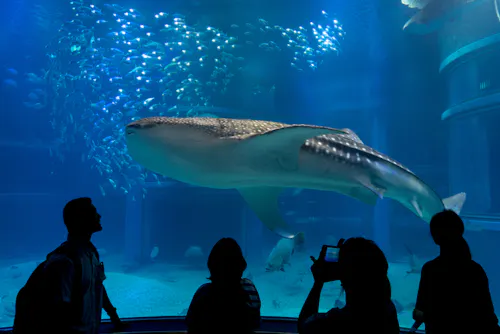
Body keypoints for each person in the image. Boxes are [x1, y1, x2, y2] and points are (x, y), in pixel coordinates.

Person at [17, 197, 124, 334]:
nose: (99, 216)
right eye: (93, 212)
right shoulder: (63, 263)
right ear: (81, 219)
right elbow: (57, 310)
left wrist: (114, 318)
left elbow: (97, 286)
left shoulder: (91, 253)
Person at [412, 210, 500, 333]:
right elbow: (486, 313)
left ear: (435, 237)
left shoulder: (431, 269)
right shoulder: (475, 270)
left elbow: (419, 312)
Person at [298, 237, 400, 334]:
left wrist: (318, 282)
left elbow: (304, 327)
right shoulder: (388, 310)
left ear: (346, 273)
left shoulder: (337, 321)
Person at [185, 237, 261, 334]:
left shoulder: (203, 292)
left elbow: (191, 325)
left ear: (211, 266)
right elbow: (256, 323)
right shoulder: (249, 288)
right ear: (241, 265)